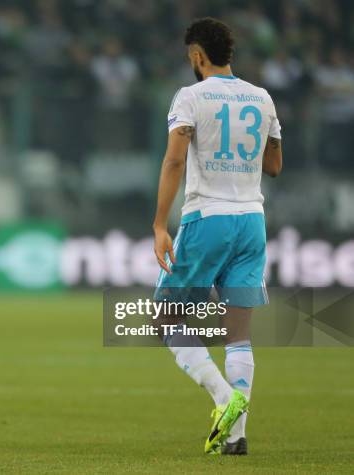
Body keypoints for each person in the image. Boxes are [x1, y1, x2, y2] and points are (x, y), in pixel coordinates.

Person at [152, 18, 282, 455]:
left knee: (165, 319)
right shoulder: (262, 98)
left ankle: (224, 397)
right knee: (238, 332)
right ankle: (239, 436)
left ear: (196, 55)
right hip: (252, 220)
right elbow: (275, 165)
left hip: (208, 218)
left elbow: (174, 161)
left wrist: (158, 225)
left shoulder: (190, 96)